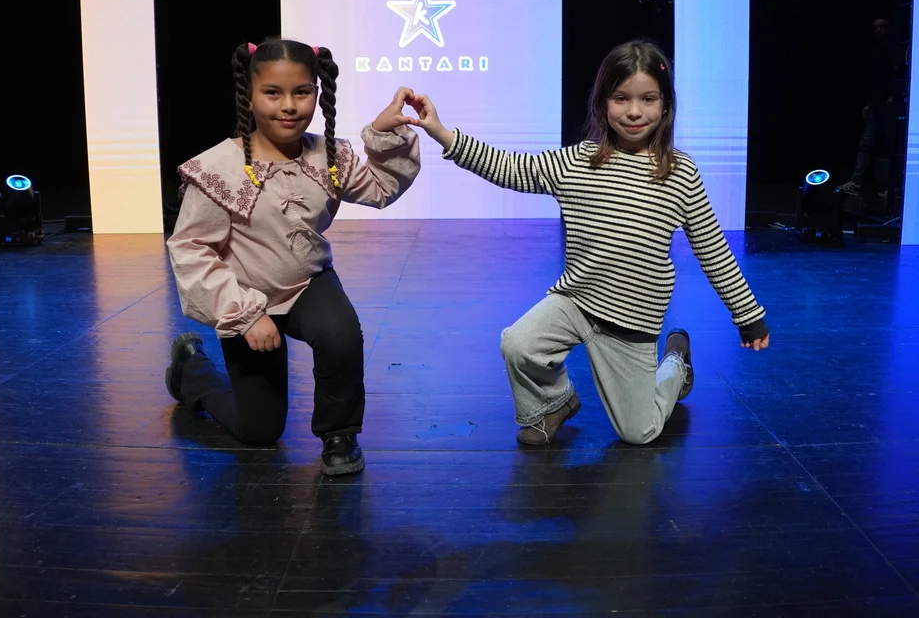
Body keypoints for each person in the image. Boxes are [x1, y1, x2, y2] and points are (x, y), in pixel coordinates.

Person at [404, 39, 769, 446]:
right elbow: (509, 168)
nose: (634, 111)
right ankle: (554, 403)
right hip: (577, 301)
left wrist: (747, 314)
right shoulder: (577, 161)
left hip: (631, 320)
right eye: (621, 98)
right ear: (602, 103)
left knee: (640, 432)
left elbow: (713, 250)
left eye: (648, 99)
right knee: (518, 343)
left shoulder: (679, 172)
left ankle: (676, 364)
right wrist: (441, 132)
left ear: (666, 105)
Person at [163, 38, 421, 475]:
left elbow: (381, 188)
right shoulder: (219, 169)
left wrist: (383, 131)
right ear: (250, 96)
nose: (288, 106)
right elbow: (192, 248)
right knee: (259, 430)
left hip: (307, 283)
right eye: (273, 93)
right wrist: (246, 315)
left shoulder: (328, 156)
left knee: (341, 334)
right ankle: (192, 372)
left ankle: (339, 434)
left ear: (317, 95)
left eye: (301, 92)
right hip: (247, 297)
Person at [838, 17, 898, 197]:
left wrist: (894, 96)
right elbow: (871, 79)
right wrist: (867, 103)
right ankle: (856, 183)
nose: (878, 30)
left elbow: (897, 75)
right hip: (875, 105)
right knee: (866, 144)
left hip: (889, 106)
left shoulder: (895, 50)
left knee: (892, 147)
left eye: (882, 27)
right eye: (875, 28)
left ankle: (894, 187)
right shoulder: (874, 51)